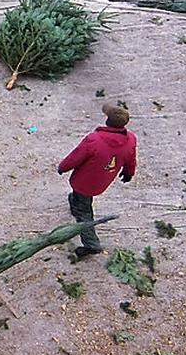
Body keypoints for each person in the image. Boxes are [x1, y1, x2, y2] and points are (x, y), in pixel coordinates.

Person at [57, 102, 137, 258]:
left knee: (84, 213)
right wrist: (129, 172)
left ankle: (91, 244)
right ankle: (75, 203)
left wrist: (63, 167)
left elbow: (76, 156)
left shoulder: (94, 140)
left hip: (83, 182)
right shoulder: (131, 139)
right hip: (103, 180)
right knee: (79, 199)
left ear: (107, 122)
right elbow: (131, 159)